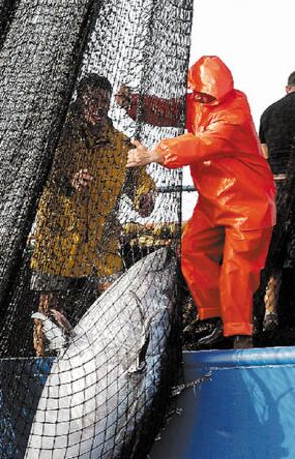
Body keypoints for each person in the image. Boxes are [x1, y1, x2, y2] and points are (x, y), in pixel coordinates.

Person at [117, 56, 276, 349]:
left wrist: (154, 154)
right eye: (197, 93)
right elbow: (169, 111)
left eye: (205, 95)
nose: (200, 99)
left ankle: (240, 335)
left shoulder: (235, 114)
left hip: (248, 203)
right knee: (192, 248)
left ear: (223, 91)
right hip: (213, 200)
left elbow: (204, 143)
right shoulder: (196, 103)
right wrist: (133, 103)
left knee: (237, 269)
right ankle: (213, 318)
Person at [31, 73, 156, 355]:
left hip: (102, 236)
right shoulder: (58, 135)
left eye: (105, 101)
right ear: (79, 99)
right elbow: (39, 175)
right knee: (49, 305)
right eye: (93, 100)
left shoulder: (119, 144)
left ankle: (114, 353)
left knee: (113, 298)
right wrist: (69, 181)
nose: (100, 107)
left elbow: (140, 180)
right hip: (58, 234)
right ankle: (40, 356)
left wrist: (144, 197)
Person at [259, 71, 295, 331]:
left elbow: (263, 154)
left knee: (270, 256)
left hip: (272, 188)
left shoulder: (269, 112)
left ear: (287, 88)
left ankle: (267, 314)